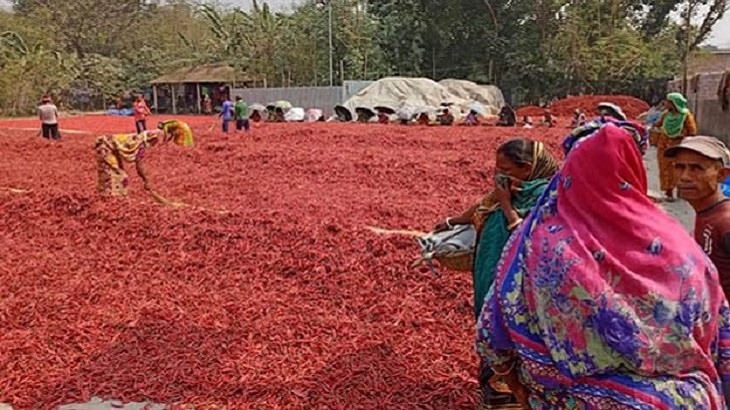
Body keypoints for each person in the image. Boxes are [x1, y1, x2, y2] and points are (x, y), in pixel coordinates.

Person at [476, 119, 730, 409]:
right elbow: (718, 332)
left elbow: (490, 333)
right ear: (633, 171)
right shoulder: (678, 247)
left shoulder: (536, 240)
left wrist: (520, 390)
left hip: (564, 398)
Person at [435, 138, 559, 406]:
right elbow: (482, 207)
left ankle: (515, 396)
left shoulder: (548, 198)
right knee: (493, 341)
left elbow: (531, 243)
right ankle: (497, 390)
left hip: (524, 295)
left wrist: (507, 206)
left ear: (527, 168)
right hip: (494, 284)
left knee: (518, 347)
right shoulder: (510, 189)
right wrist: (450, 222)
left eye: (505, 168)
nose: (498, 174)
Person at [667, 136, 730, 293]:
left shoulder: (725, 222)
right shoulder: (706, 212)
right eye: (680, 167)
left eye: (697, 168)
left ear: (721, 175)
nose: (685, 177)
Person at [95, 120, 193, 197]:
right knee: (119, 177)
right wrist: (146, 180)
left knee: (118, 177)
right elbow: (139, 162)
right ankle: (109, 199)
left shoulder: (152, 137)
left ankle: (112, 198)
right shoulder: (151, 138)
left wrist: (146, 179)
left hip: (112, 148)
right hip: (105, 146)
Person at [655, 92, 698, 200]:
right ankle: (669, 191)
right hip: (664, 145)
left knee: (679, 168)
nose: (666, 104)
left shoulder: (686, 116)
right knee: (665, 168)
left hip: (679, 146)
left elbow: (692, 131)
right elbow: (658, 124)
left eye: (669, 102)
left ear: (675, 103)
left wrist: (683, 137)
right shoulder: (666, 114)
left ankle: (681, 189)